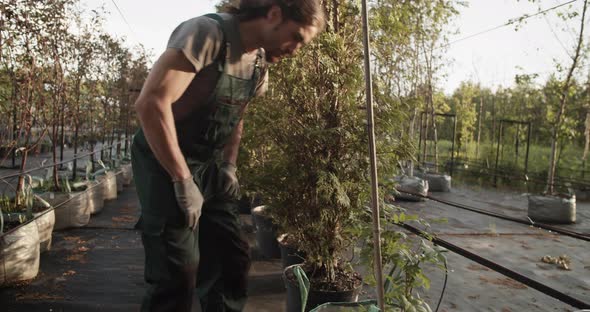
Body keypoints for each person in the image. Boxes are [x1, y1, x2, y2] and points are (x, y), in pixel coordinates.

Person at [131, 1, 325, 311]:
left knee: (230, 257)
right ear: (274, 14)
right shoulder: (207, 35)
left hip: (209, 163)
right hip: (163, 159)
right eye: (297, 37)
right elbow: (151, 104)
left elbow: (236, 116)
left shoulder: (258, 63)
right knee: (178, 271)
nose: (295, 50)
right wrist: (181, 180)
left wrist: (229, 166)